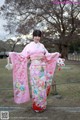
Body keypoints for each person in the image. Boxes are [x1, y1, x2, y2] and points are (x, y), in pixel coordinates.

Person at [7, 30, 61, 113]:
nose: (37, 38)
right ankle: (36, 105)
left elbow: (48, 56)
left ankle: (42, 105)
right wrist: (12, 54)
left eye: (39, 36)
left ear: (40, 37)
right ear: (33, 36)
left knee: (42, 87)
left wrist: (56, 55)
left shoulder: (42, 46)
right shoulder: (29, 46)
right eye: (35, 36)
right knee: (35, 87)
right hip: (34, 69)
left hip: (42, 69)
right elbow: (22, 56)